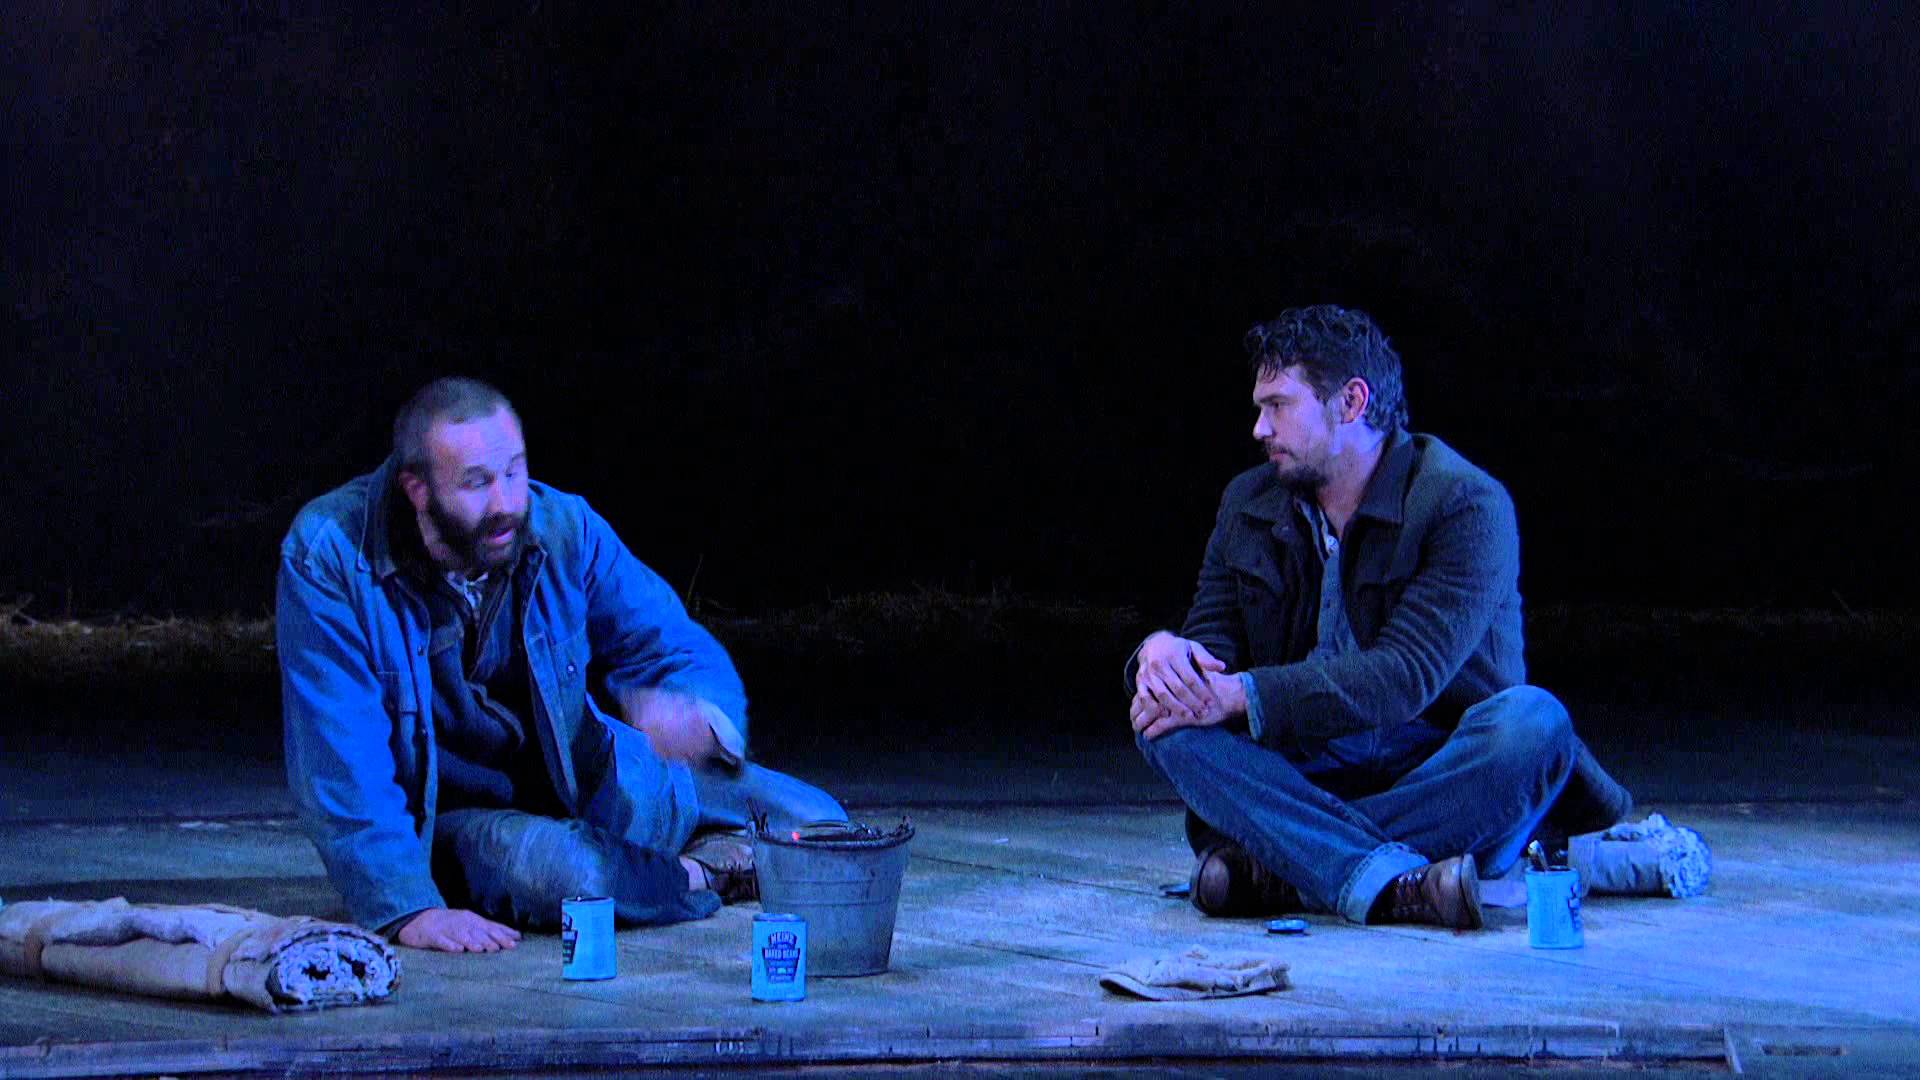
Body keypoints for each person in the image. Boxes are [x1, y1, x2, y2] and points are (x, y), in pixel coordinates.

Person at [278, 377, 844, 953]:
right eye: (476, 483)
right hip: (461, 822)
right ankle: (707, 872)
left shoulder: (563, 527)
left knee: (818, 823)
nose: (505, 503)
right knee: (578, 876)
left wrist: (697, 713)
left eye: (514, 472)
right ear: (417, 489)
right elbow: (338, 756)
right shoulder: (330, 555)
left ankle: (672, 868)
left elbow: (668, 640)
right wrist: (406, 906)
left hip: (584, 782)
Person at [1128, 305, 1632, 930]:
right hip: (1308, 772)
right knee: (1161, 717)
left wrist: (1240, 695)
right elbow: (1211, 645)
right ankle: (1395, 884)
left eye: (1278, 406)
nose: (1259, 427)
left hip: (1436, 770)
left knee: (1534, 722)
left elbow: (1405, 676)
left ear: (1351, 402)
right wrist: (1166, 656)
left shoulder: (1465, 503)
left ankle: (1284, 866)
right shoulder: (1249, 500)